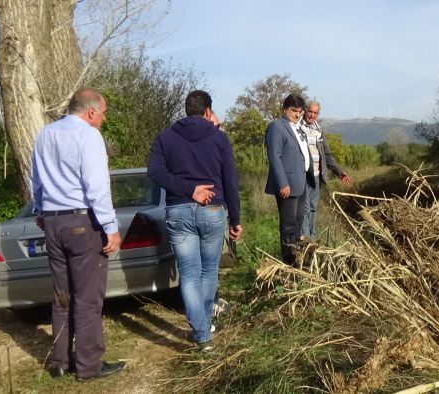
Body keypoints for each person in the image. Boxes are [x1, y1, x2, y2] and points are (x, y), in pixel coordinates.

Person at [31, 87, 126, 380]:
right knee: (87, 298)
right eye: (104, 113)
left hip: (53, 222)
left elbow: (35, 176)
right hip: (82, 223)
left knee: (62, 295)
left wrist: (39, 210)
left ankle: (60, 361)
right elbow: (97, 187)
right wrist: (110, 227)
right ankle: (89, 366)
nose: (104, 119)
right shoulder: (89, 136)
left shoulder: (45, 134)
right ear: (91, 111)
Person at [148, 90, 242, 351]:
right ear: (208, 111)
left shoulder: (166, 137)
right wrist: (235, 218)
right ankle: (202, 323)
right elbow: (231, 181)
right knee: (208, 271)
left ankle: (202, 335)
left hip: (178, 211)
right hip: (212, 211)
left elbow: (154, 171)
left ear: (186, 109)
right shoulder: (219, 139)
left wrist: (187, 190)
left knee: (188, 273)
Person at [265, 93, 309, 265]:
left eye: (300, 111)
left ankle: (297, 259)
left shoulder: (298, 127)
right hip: (287, 185)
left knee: (298, 224)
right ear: (284, 110)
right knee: (289, 226)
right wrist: (283, 182)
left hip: (300, 183)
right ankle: (288, 262)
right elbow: (275, 156)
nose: (297, 115)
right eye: (293, 111)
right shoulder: (277, 126)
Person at [298, 101, 352, 240]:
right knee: (304, 208)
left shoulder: (319, 131)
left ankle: (313, 237)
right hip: (303, 175)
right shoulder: (298, 128)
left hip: (317, 175)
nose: (312, 115)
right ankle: (306, 239)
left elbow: (327, 155)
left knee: (313, 207)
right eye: (310, 111)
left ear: (318, 114)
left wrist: (339, 172)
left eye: (315, 113)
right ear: (305, 111)